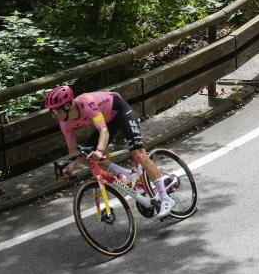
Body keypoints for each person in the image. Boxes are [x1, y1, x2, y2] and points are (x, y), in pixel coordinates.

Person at [45, 85, 175, 218]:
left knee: (138, 153)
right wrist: (70, 168)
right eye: (51, 112)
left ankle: (165, 198)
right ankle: (127, 175)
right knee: (88, 157)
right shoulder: (64, 122)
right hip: (108, 121)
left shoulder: (86, 104)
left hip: (121, 112)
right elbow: (73, 150)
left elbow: (103, 131)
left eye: (55, 111)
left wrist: (100, 151)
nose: (53, 116)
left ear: (67, 106)